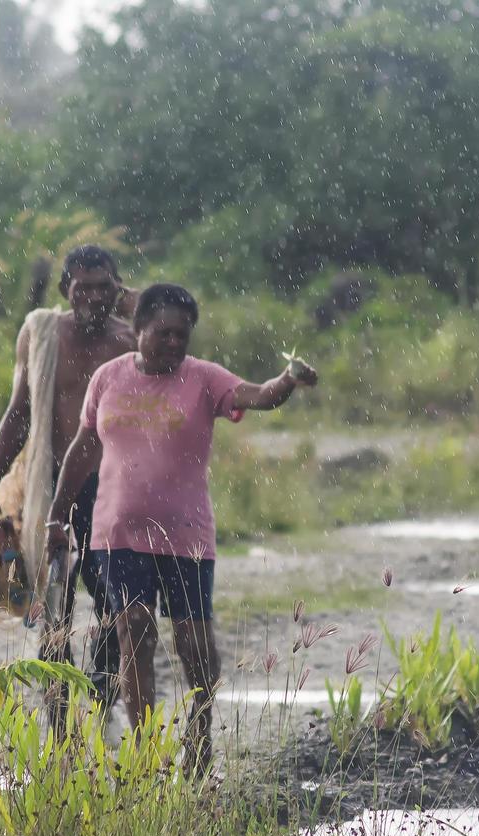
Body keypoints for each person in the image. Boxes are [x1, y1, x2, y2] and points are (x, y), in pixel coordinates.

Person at [45, 284, 317, 774]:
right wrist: (57, 514)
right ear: (139, 331)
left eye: (182, 335)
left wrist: (288, 380)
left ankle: (200, 723)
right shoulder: (108, 379)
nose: (173, 343)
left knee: (193, 640)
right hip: (118, 535)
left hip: (186, 537)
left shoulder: (204, 379)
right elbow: (83, 449)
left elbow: (259, 397)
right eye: (163, 333)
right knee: (134, 632)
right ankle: (146, 746)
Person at [0, 245, 137, 712]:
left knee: (116, 602)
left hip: (112, 491)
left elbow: (175, 334)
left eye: (103, 286)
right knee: (54, 604)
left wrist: (130, 302)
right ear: (65, 290)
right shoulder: (42, 333)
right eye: (81, 287)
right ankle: (59, 720)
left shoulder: (131, 340)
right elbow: (19, 414)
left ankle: (104, 697)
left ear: (117, 288)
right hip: (52, 490)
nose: (91, 296)